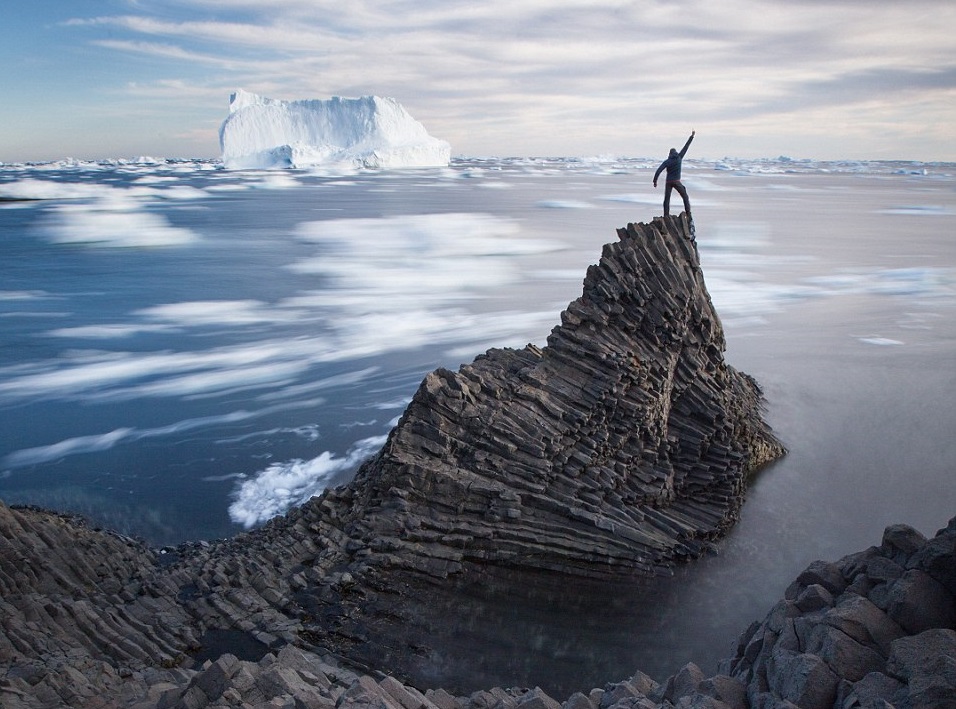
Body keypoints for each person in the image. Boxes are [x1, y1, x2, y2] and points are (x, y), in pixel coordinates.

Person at [653, 130, 695, 218]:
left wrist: (655, 181)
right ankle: (688, 213)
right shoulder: (679, 157)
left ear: (669, 154)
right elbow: (686, 146)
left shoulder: (667, 161)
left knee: (667, 199)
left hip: (669, 182)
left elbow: (659, 170)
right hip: (676, 181)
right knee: (685, 196)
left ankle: (666, 215)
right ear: (675, 152)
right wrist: (692, 136)